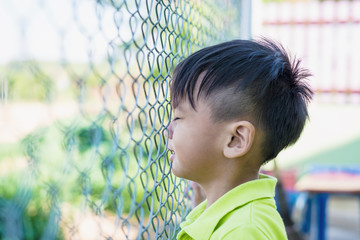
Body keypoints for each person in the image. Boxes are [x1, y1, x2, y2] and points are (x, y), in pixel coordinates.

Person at [166, 38, 313, 240]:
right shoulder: (239, 218)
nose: (168, 129)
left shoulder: (244, 231)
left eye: (178, 117)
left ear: (235, 140)